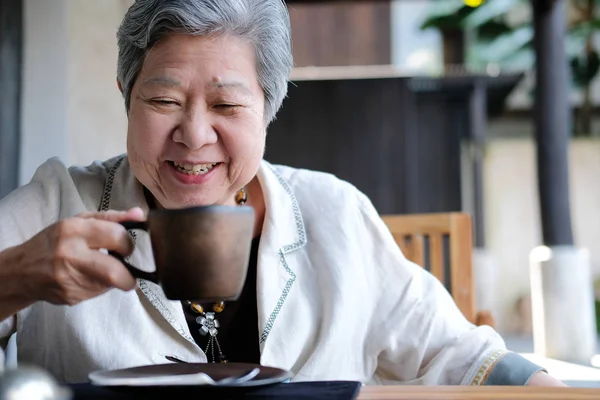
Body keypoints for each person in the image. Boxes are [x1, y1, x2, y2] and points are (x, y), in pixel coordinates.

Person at [0, 0, 564, 386]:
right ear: (126, 95)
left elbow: (462, 355)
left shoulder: (334, 214)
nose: (195, 134)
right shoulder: (59, 205)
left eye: (226, 105)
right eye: (164, 102)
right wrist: (16, 277)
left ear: (269, 108)